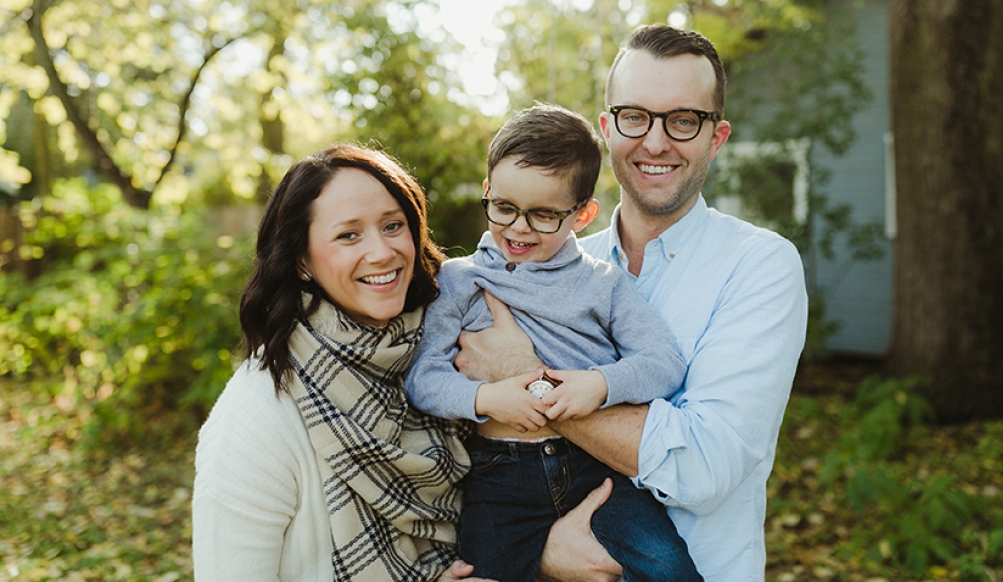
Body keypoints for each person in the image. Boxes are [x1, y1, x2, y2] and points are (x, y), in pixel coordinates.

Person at [453, 25, 809, 582]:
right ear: (607, 129)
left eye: (684, 120)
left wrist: (523, 375)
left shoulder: (760, 265)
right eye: (635, 117)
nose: (656, 142)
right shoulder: (546, 258)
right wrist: (539, 548)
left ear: (716, 137)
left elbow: (703, 465)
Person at [405, 104, 701, 582]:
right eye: (504, 207)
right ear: (488, 193)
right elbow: (424, 379)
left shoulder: (604, 284)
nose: (519, 228)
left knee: (669, 569)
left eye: (544, 214)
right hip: (500, 476)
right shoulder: (460, 281)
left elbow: (665, 361)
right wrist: (487, 396)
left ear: (582, 214)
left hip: (596, 469)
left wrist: (599, 385)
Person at [191, 144, 493, 582]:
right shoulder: (255, 418)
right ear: (302, 261)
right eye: (349, 235)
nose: (382, 252)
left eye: (393, 226)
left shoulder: (450, 360)